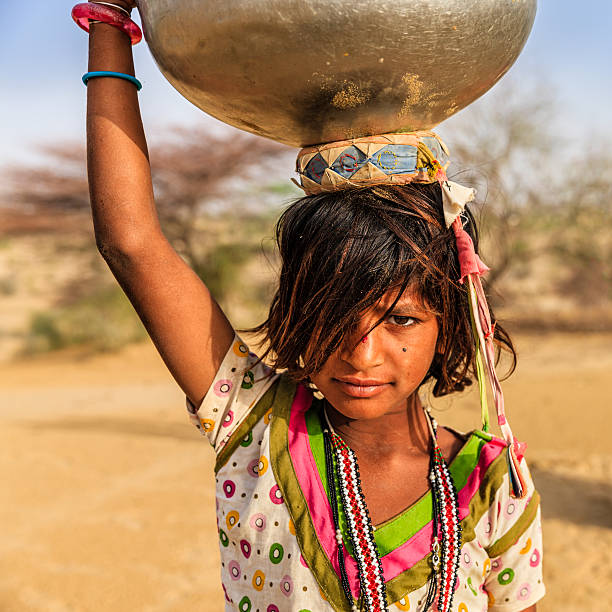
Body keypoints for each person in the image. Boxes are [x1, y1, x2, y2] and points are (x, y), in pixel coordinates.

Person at [77, 1, 545, 610]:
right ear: (298, 313)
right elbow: (131, 243)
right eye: (330, 316)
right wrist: (109, 26)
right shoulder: (255, 425)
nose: (360, 353)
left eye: (400, 319)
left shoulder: (491, 482)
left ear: (448, 322)